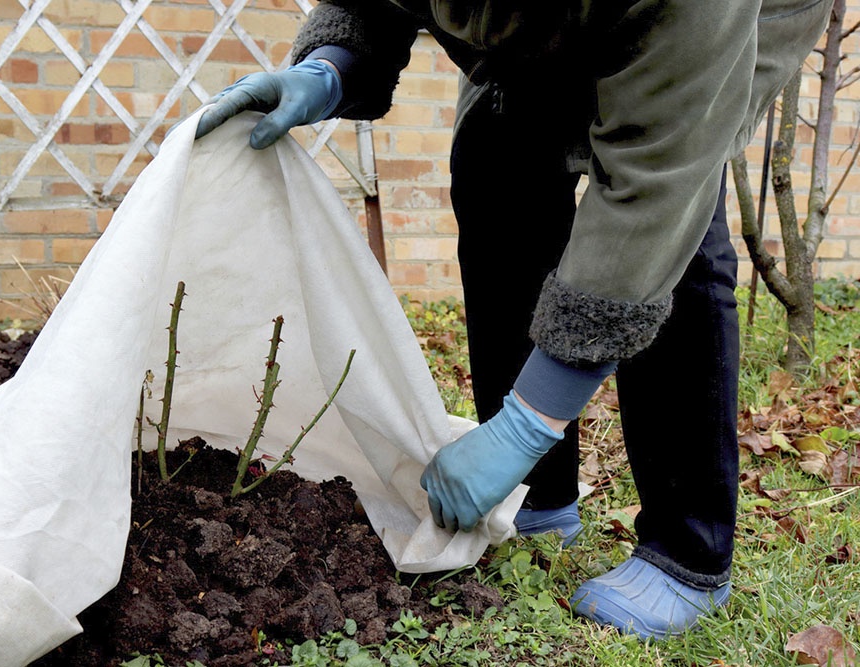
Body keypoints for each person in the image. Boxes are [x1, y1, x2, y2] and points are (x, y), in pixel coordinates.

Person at [192, 0, 833, 640]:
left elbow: (655, 189)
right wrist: (334, 65)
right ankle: (540, 498)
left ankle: (688, 552)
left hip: (724, 21)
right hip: (552, 23)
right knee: (494, 161)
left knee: (678, 235)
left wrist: (527, 423)